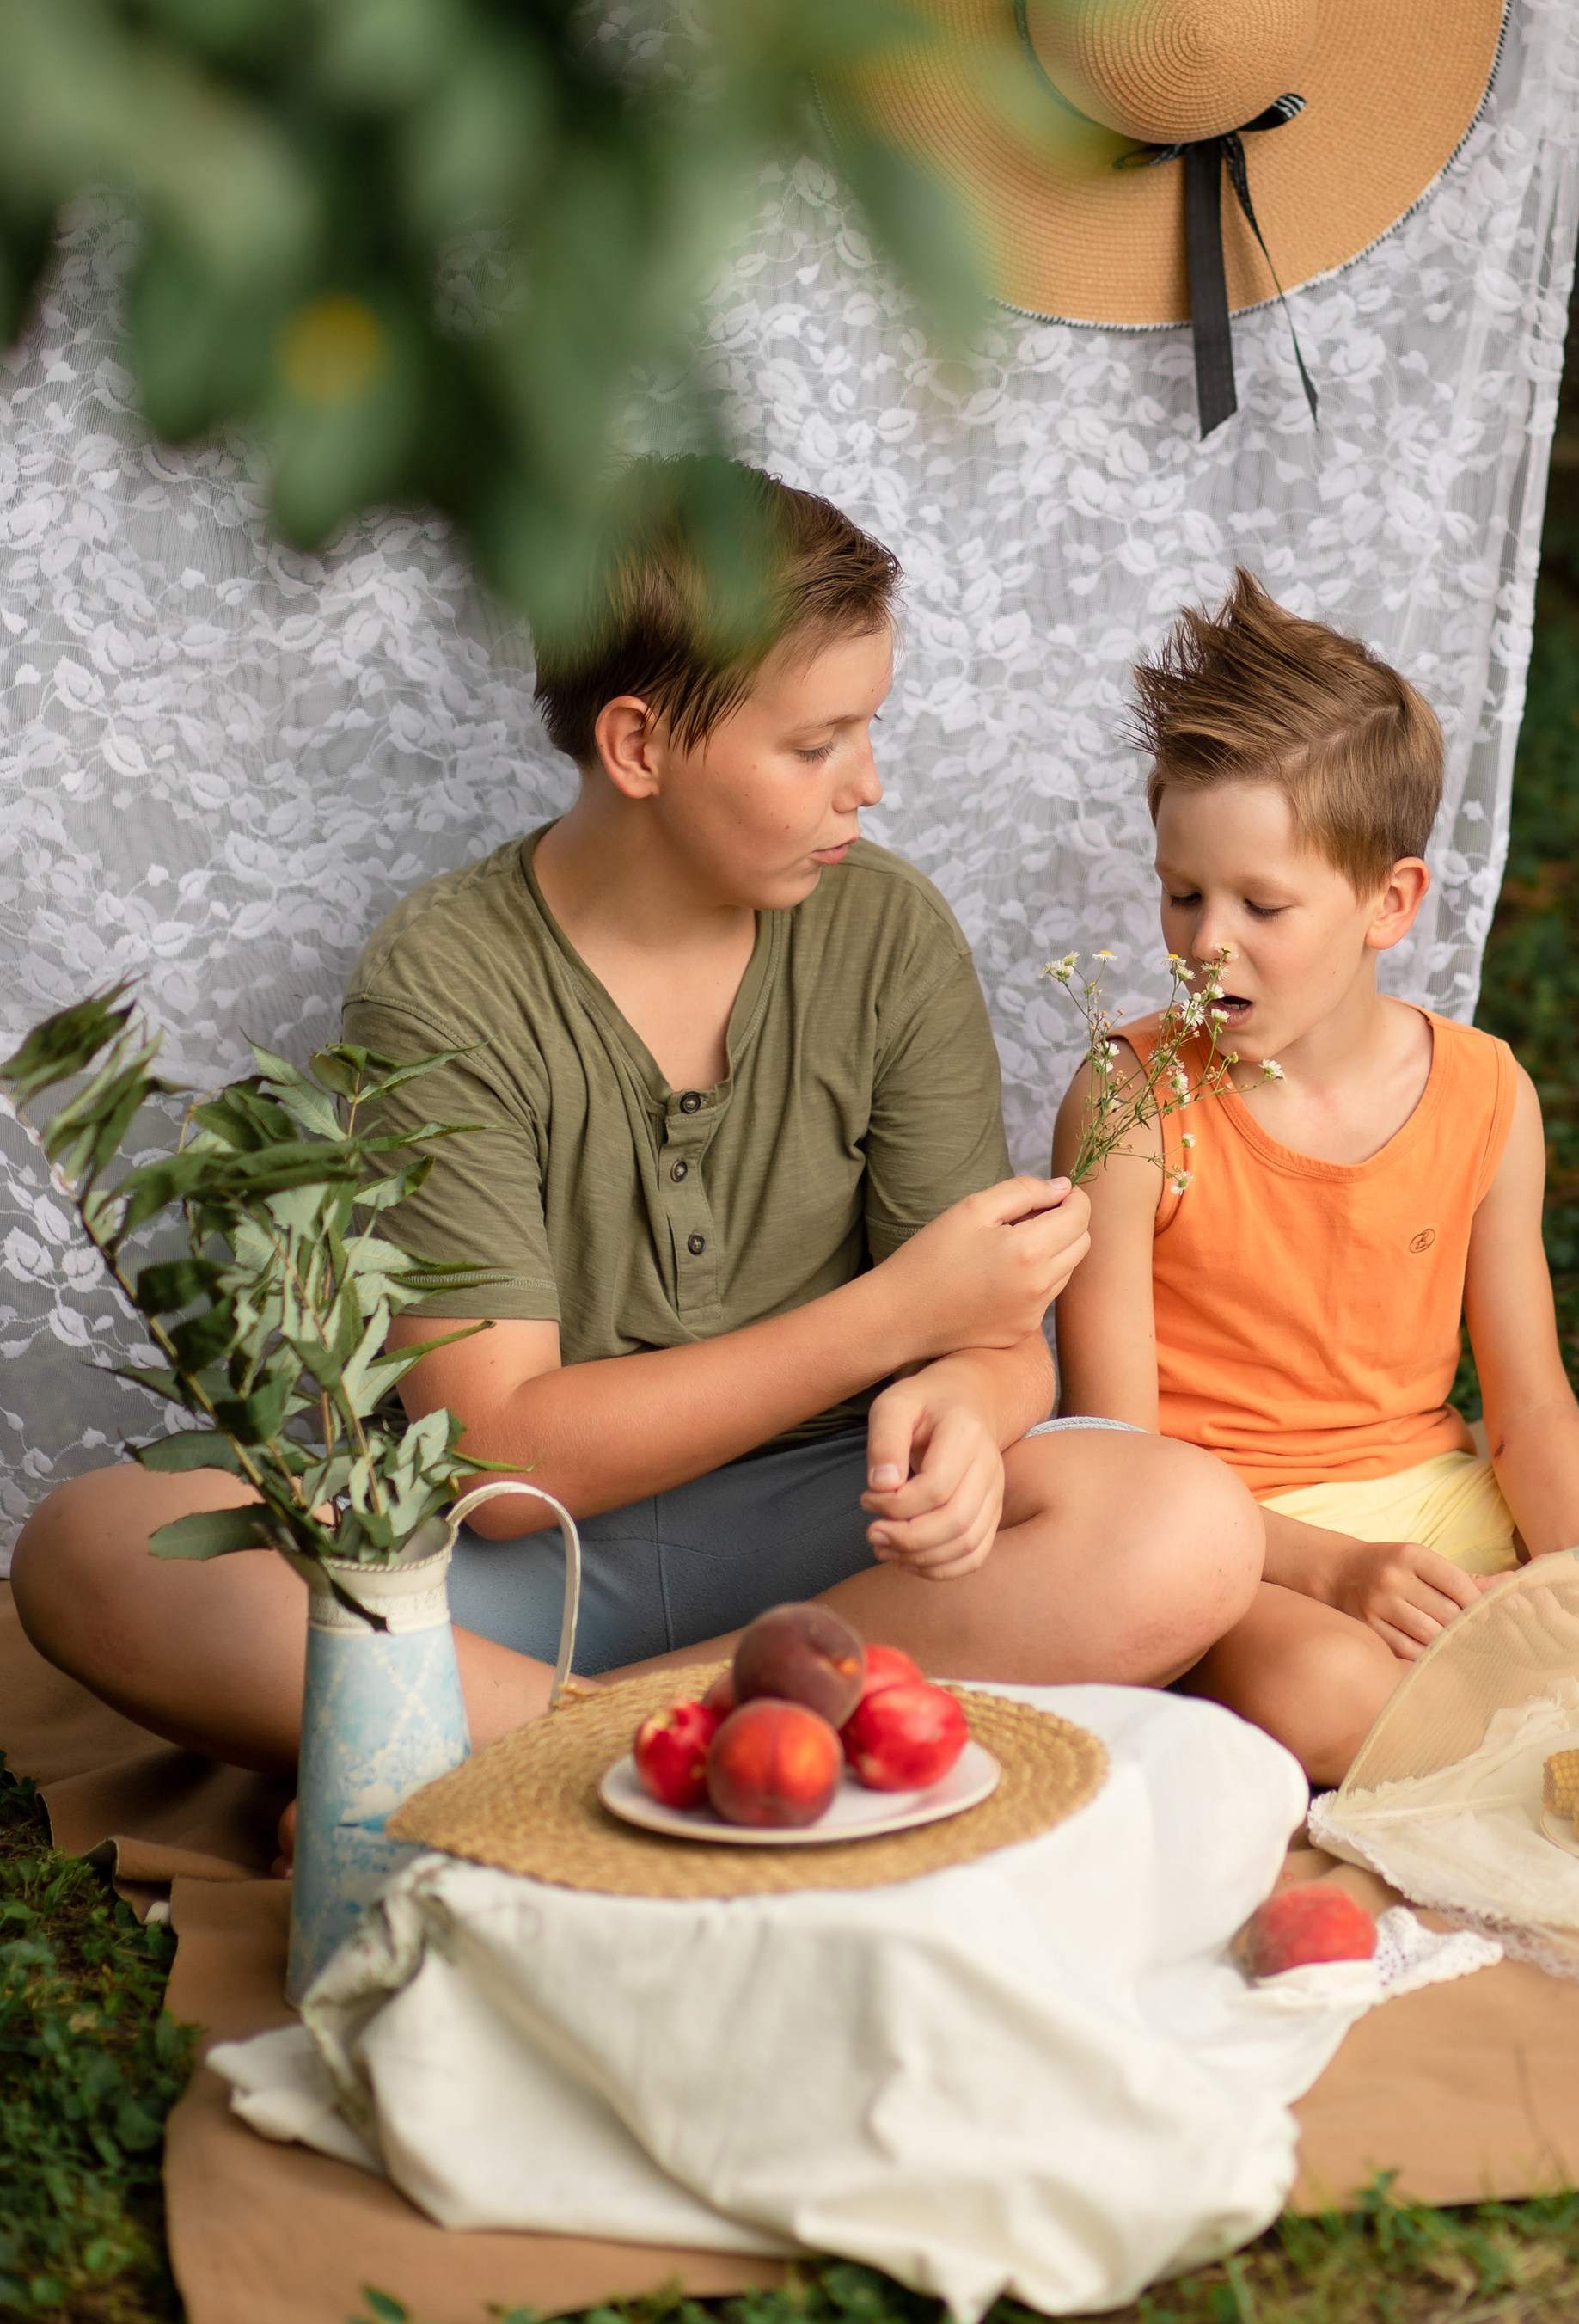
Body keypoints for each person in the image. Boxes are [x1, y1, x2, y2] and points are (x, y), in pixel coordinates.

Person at [13, 467, 1263, 1775]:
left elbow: (995, 1339)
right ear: (639, 747)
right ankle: (659, 1744)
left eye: (869, 729)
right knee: (102, 1545)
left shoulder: (888, 933)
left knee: (1181, 1524)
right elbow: (495, 1453)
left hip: (833, 1543)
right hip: (521, 1566)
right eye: (816, 744)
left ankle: (506, 1752)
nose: (871, 785)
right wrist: (902, 1321)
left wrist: (964, 1407)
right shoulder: (446, 974)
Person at [1051, 572, 1579, 1786]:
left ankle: (1518, 1651)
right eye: (1182, 892)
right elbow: (1120, 1463)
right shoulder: (1130, 1101)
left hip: (1441, 1492)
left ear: (1390, 902)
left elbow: (1525, 1407)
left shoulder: (1485, 1094)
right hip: (1241, 1547)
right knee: (1333, 1692)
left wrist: (1570, 1570)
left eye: (1263, 903)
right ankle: (1523, 1674)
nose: (1208, 942)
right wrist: (1337, 1573)